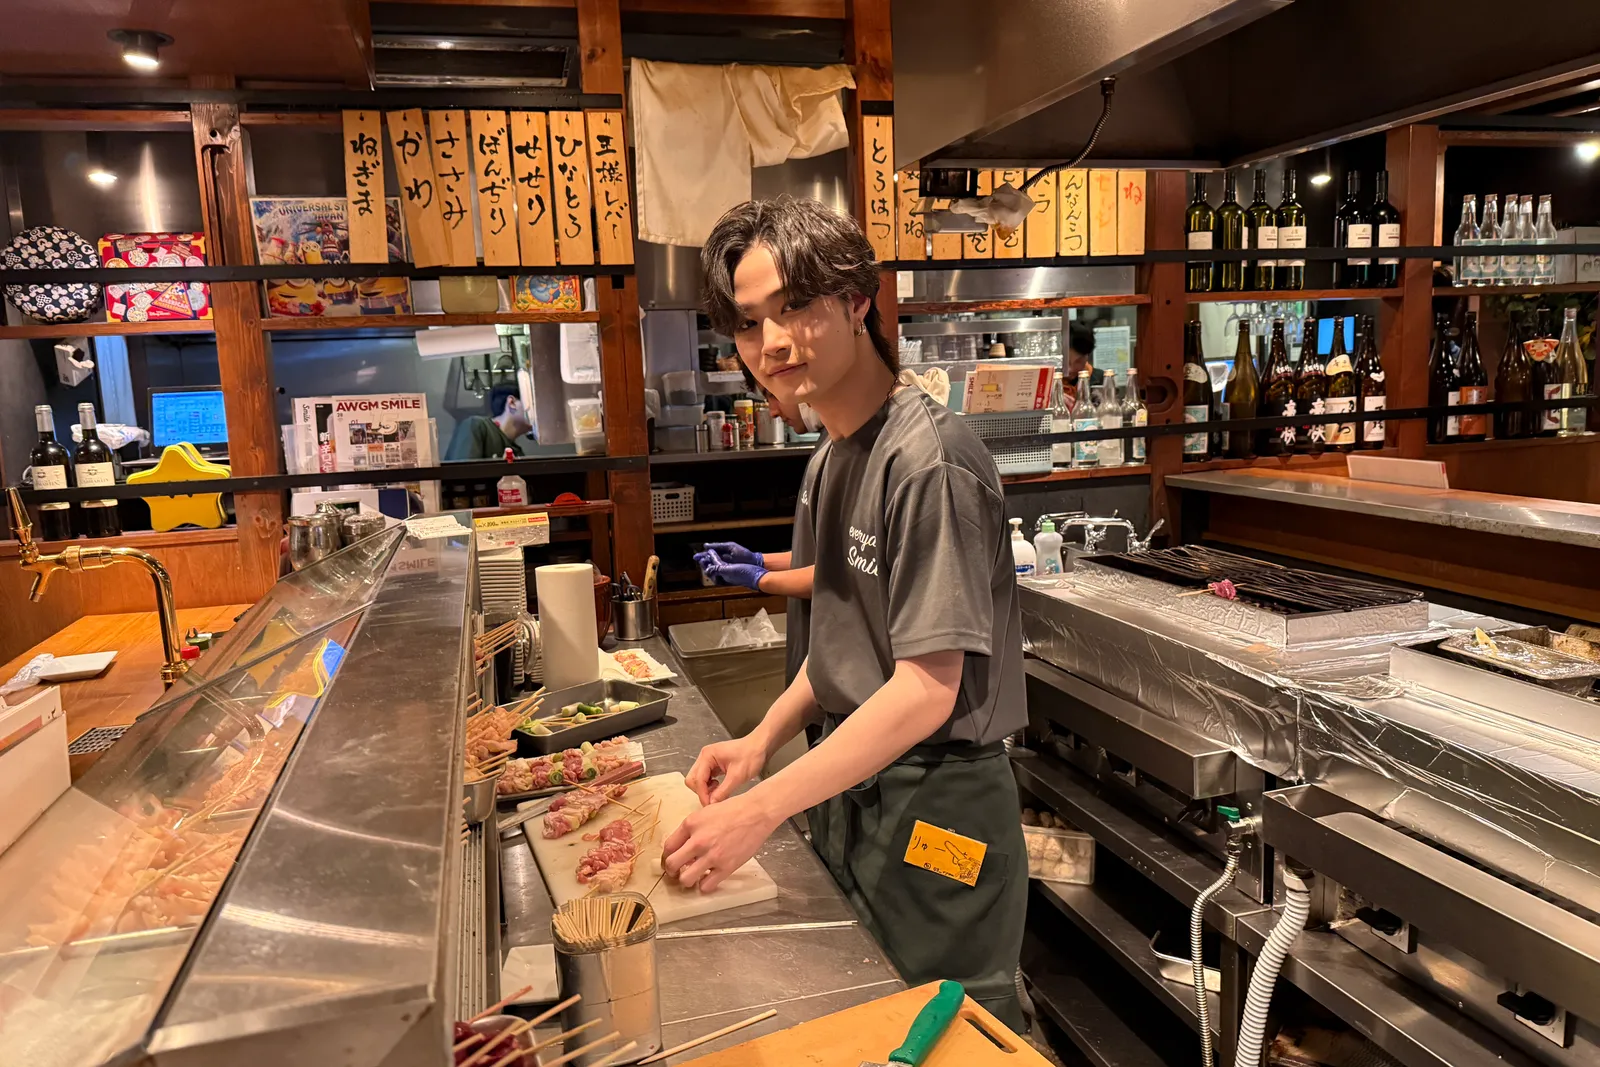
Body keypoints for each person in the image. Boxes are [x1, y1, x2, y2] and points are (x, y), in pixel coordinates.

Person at [662, 195, 1029, 1029]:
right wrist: (760, 741)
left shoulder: (929, 461)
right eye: (749, 323)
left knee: (948, 1033)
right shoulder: (832, 455)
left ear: (858, 299)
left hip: (938, 806)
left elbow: (926, 688)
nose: (771, 343)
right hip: (854, 787)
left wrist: (764, 806)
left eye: (795, 305)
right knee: (861, 1020)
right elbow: (842, 634)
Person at [445, 383, 531, 461]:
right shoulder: (477, 426)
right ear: (512, 403)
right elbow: (463, 471)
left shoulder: (518, 452)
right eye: (532, 404)